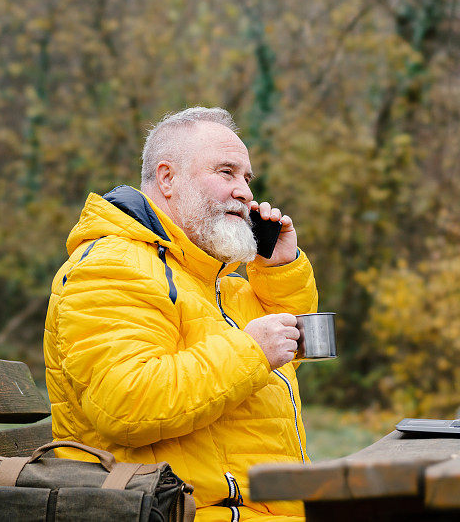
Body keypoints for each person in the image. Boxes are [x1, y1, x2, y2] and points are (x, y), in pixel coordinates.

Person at [43, 106, 318, 522]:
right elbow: (124, 403)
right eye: (226, 173)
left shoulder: (215, 278)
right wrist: (251, 351)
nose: (245, 192)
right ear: (167, 178)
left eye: (247, 178)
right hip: (180, 511)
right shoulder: (111, 267)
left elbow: (284, 353)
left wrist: (278, 268)